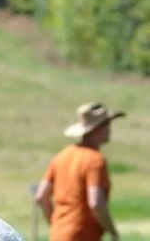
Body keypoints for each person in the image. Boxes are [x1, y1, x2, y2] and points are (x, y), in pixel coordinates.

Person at [34, 102, 125, 241]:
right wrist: (112, 231)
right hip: (83, 235)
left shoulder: (62, 156)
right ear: (96, 129)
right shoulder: (95, 160)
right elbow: (95, 202)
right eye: (106, 125)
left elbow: (41, 196)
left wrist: (56, 225)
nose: (109, 129)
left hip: (57, 235)